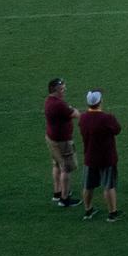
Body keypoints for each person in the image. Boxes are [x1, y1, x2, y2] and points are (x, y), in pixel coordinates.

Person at [79, 89, 123, 221]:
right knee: (108, 186)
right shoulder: (107, 118)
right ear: (100, 102)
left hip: (90, 156)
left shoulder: (83, 118)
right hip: (106, 157)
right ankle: (112, 213)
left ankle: (88, 210)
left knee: (88, 186)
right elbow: (117, 130)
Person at [45, 77, 82, 209]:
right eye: (62, 88)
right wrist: (72, 109)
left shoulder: (49, 101)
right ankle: (64, 199)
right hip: (62, 142)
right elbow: (77, 114)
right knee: (66, 168)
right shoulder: (59, 104)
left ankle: (57, 192)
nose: (64, 89)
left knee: (56, 164)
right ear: (55, 90)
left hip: (51, 139)